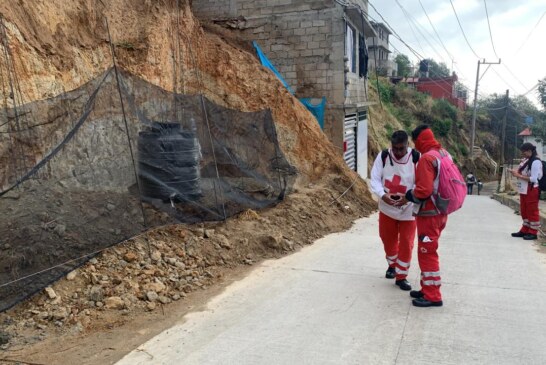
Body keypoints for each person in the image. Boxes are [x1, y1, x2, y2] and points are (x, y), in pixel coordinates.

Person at [404, 125, 449, 307]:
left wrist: (409, 195)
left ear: (419, 140)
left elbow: (424, 191)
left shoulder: (426, 159)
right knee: (427, 251)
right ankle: (426, 288)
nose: (415, 147)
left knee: (427, 252)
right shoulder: (443, 154)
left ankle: (433, 295)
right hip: (441, 211)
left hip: (429, 214)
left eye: (415, 143)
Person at [370, 130, 419, 291]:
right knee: (387, 239)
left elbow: (421, 182)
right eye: (395, 148)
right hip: (387, 208)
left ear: (408, 146)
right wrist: (383, 195)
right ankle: (393, 264)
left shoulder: (416, 158)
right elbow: (375, 178)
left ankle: (401, 276)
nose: (398, 152)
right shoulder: (384, 156)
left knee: (406, 243)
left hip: (409, 210)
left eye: (401, 149)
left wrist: (408, 197)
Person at [510, 143, 542, 240]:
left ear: (529, 151)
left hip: (532, 188)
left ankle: (533, 232)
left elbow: (534, 179)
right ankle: (525, 229)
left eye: (524, 152)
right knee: (524, 209)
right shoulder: (527, 161)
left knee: (532, 210)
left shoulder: (535, 162)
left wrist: (518, 176)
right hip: (524, 188)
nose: (522, 154)